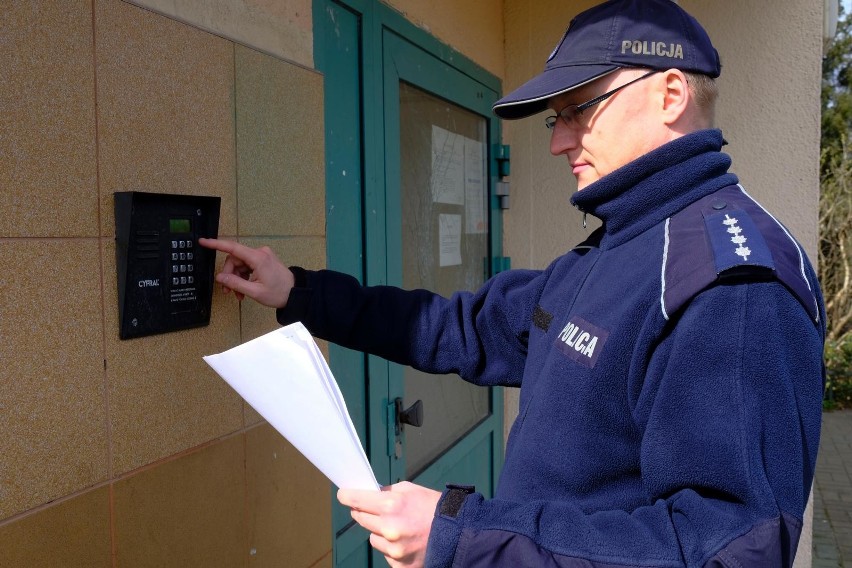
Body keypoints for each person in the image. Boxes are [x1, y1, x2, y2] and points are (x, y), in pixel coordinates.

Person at [201, 0, 826, 566]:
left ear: (669, 95)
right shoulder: (618, 245)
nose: (557, 142)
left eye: (578, 110)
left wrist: (461, 537)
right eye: (552, 119)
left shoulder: (734, 287)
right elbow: (464, 328)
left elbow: (727, 548)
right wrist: (299, 294)